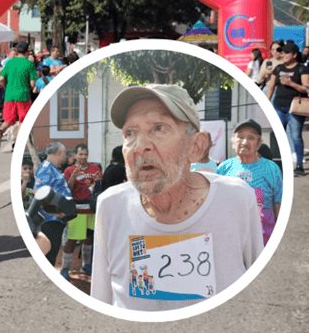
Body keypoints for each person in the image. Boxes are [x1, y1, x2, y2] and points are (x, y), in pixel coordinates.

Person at [91, 83, 263, 310]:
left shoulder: (237, 198)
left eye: (159, 128)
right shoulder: (111, 205)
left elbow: (258, 292)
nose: (140, 147)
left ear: (196, 145)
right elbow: (101, 300)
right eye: (130, 133)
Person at [217, 120, 283, 245]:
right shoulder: (224, 168)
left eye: (251, 138)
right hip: (231, 235)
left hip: (263, 237)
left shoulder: (271, 168)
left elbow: (278, 204)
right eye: (240, 136)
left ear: (258, 143)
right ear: (233, 142)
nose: (245, 142)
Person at [265, 41, 309, 176]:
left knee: (296, 136)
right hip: (279, 106)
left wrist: (291, 83)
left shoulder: (302, 69)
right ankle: (277, 165)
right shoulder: (278, 68)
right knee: (277, 136)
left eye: (286, 52)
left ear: (294, 55)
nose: (283, 54)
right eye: (282, 52)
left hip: (295, 109)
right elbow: (271, 87)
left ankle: (299, 165)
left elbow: (307, 89)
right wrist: (266, 103)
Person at [62, 143, 102, 278]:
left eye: (85, 154)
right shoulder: (69, 170)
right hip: (77, 210)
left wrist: (97, 182)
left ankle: (86, 265)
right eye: (80, 154)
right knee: (72, 239)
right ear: (75, 155)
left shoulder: (95, 168)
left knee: (89, 238)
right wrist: (73, 177)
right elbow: (67, 189)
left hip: (91, 209)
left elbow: (98, 188)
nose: (83, 157)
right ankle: (65, 268)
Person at [32, 141, 73, 266]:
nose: (65, 157)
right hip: (50, 219)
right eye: (64, 153)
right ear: (59, 153)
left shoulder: (53, 169)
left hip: (57, 218)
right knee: (49, 253)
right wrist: (55, 211)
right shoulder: (46, 169)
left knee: (53, 252)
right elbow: (39, 193)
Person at [0, 41, 37, 149]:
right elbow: (32, 83)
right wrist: (28, 87)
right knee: (24, 120)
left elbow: (1, 79)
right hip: (23, 95)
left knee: (9, 120)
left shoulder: (10, 63)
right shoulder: (29, 64)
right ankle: (18, 142)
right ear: (27, 51)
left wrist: (6, 87)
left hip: (9, 95)